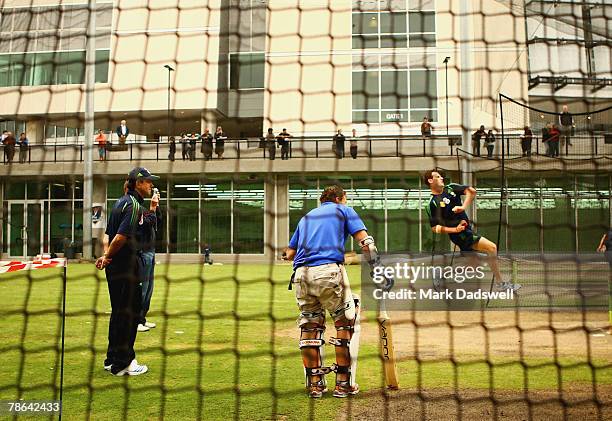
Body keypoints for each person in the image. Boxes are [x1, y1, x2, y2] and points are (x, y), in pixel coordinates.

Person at [283, 185, 380, 398]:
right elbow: (365, 242)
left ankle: (315, 385)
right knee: (344, 322)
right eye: (345, 198)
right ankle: (343, 384)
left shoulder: (307, 217)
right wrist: (376, 266)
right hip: (328, 272)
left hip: (300, 275)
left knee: (310, 326)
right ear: (339, 198)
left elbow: (289, 253)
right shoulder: (343, 210)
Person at [95, 167, 160, 376]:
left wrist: (107, 256)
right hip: (125, 265)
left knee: (118, 312)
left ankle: (112, 358)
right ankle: (124, 363)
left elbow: (107, 236)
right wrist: (108, 256)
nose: (151, 185)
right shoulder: (132, 205)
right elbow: (120, 237)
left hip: (115, 265)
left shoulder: (120, 202)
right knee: (129, 313)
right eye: (148, 181)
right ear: (138, 183)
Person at [423, 169, 520, 292]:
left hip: (466, 229)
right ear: (430, 181)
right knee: (492, 248)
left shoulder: (451, 188)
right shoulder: (432, 203)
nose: (441, 178)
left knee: (473, 266)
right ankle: (500, 283)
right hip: (460, 234)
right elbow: (435, 228)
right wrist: (455, 229)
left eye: (441, 176)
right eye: (437, 176)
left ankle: (441, 274)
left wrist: (463, 207)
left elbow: (472, 191)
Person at [137, 187, 162, 332]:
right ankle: (136, 321)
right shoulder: (140, 211)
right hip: (144, 252)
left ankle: (142, 318)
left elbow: (158, 221)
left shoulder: (149, 212)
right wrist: (152, 208)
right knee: (142, 289)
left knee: (149, 290)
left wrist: (156, 207)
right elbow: (145, 227)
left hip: (151, 252)